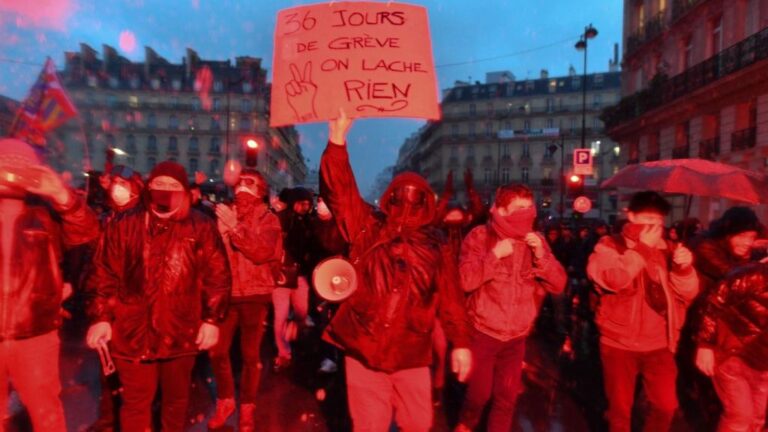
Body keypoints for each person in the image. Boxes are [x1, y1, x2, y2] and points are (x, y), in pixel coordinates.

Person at [320, 110, 471, 431]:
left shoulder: (436, 243)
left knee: (417, 423)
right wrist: (337, 141)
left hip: (411, 354)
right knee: (369, 425)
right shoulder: (368, 227)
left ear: (426, 203)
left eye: (416, 198)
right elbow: (341, 194)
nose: (408, 202)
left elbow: (451, 297)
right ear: (390, 197)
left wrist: (461, 342)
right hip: (364, 348)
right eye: (401, 195)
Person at [86, 161, 231, 432]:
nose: (165, 190)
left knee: (175, 402)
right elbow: (103, 272)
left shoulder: (200, 226)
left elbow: (217, 275)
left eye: (173, 185)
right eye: (159, 184)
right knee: (135, 403)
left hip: (181, 329)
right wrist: (101, 316)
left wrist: (212, 318)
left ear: (185, 191)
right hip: (132, 331)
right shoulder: (123, 223)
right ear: (148, 188)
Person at [0, 138, 98, 431]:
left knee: (47, 413)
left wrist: (62, 195)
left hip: (36, 333)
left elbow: (88, 231)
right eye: (6, 164)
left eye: (22, 166)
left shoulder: (46, 210)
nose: (13, 173)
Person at [455, 184, 567, 432]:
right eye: (519, 209)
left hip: (516, 337)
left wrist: (541, 256)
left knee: (506, 400)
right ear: (502, 210)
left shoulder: (535, 241)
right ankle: (466, 423)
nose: (527, 213)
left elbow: (559, 284)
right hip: (483, 333)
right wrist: (494, 256)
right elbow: (465, 280)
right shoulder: (480, 236)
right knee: (479, 396)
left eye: (529, 207)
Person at [587, 191, 698, 432]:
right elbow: (613, 279)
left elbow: (687, 294)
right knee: (620, 411)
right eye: (646, 220)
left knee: (666, 406)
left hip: (660, 344)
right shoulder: (609, 245)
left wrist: (684, 269)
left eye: (657, 222)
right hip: (619, 344)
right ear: (631, 216)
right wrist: (642, 250)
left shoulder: (668, 249)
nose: (653, 227)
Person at [207, 169, 282, 431]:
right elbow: (214, 257)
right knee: (217, 351)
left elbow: (262, 252)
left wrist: (235, 228)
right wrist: (220, 234)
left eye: (250, 183)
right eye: (239, 182)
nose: (242, 187)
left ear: (261, 190)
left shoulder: (269, 219)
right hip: (227, 295)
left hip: (255, 295)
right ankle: (226, 400)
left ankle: (247, 407)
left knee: (250, 355)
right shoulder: (227, 214)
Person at [683, 207, 763, 431]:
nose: (748, 242)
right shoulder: (706, 247)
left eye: (752, 237)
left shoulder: (743, 253)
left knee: (749, 412)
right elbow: (736, 278)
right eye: (742, 236)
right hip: (704, 325)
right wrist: (761, 266)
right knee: (731, 409)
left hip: (737, 334)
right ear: (727, 234)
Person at [86, 164, 145, 432]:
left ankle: (131, 417)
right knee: (107, 366)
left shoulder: (142, 220)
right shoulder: (107, 219)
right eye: (115, 182)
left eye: (124, 182)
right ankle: (109, 418)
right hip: (108, 303)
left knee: (133, 371)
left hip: (131, 306)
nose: (118, 188)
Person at [695, 260, 768, 432]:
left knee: (756, 419)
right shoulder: (754, 275)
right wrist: (705, 344)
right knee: (740, 416)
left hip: (763, 364)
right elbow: (714, 301)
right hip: (733, 353)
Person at [273, 186, 316, 371]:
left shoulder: (310, 223)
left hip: (301, 275)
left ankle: (294, 335)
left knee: (302, 313)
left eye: (308, 204)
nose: (305, 208)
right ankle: (284, 353)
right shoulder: (281, 220)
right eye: (302, 204)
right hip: (282, 275)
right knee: (280, 317)